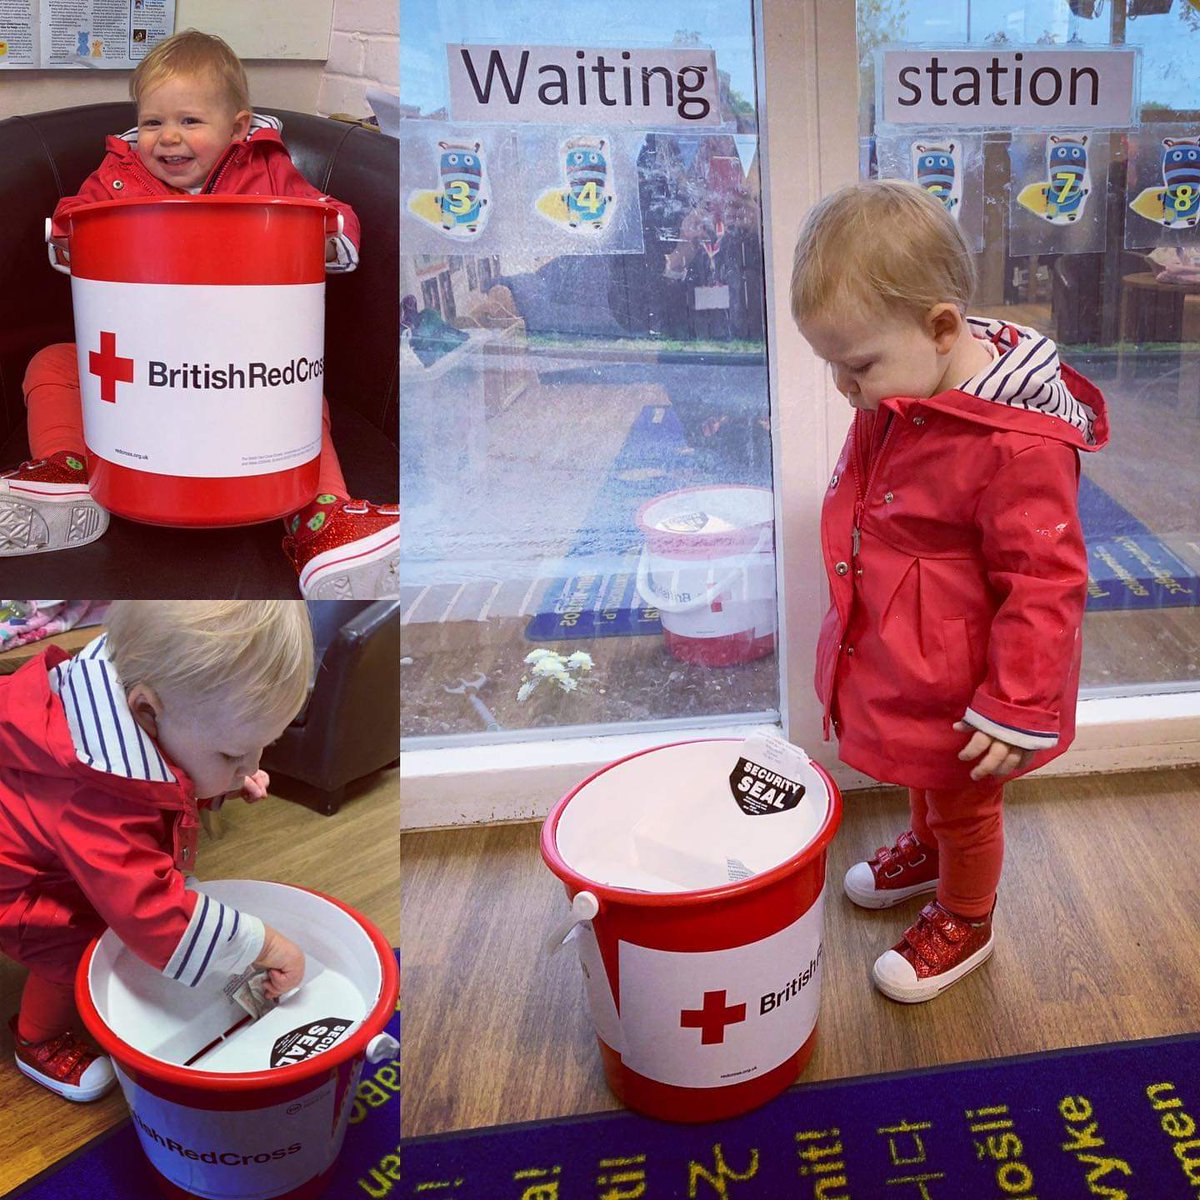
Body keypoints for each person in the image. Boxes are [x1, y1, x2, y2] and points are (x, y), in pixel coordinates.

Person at [790, 179, 1109, 1004]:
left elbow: (1046, 581)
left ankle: (966, 916)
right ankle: (928, 851)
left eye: (855, 365)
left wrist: (1017, 702)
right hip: (914, 657)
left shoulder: (1016, 448)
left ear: (939, 328)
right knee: (922, 770)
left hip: (975, 680)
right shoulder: (911, 389)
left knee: (963, 798)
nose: (843, 388)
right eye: (832, 365)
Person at [0, 29, 398, 598]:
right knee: (54, 362)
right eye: (153, 122)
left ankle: (322, 523)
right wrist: (67, 235)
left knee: (303, 397)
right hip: (142, 366)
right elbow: (73, 216)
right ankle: (64, 474)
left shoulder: (265, 172)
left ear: (237, 128)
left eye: (189, 121)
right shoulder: (116, 178)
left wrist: (328, 237)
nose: (167, 138)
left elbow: (327, 213)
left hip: (237, 366)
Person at [0, 600, 312, 1100]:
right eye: (232, 754)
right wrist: (265, 945)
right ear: (145, 712)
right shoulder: (93, 794)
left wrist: (226, 778)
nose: (249, 766)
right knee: (67, 940)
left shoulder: (145, 693)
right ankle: (36, 1041)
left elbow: (170, 762)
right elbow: (149, 910)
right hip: (19, 880)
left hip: (48, 839)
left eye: (261, 747)